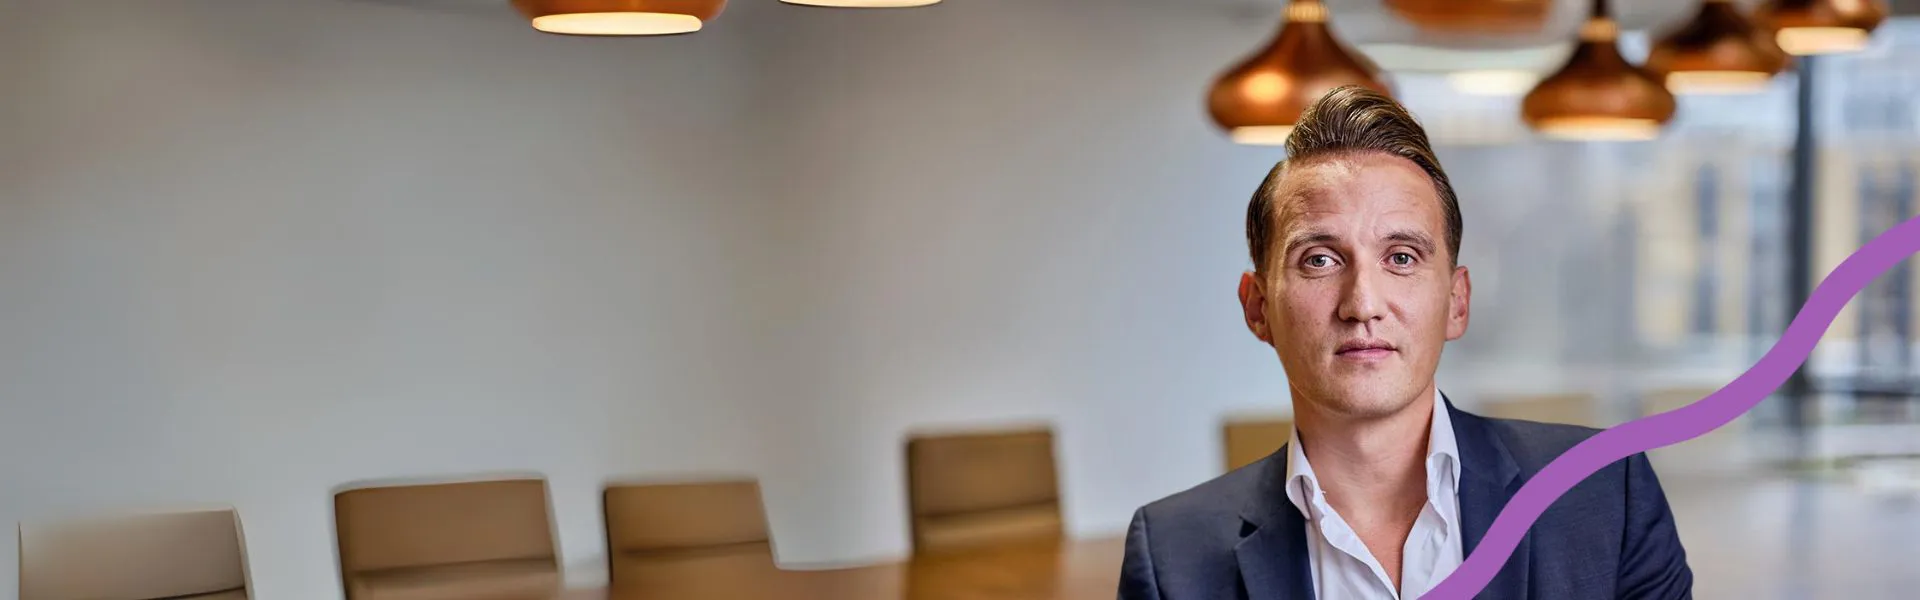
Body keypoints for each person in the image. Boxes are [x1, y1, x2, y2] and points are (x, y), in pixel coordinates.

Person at [1117, 86, 1692, 600]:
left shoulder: (1604, 494)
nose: (1363, 303)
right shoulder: (1173, 559)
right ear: (1258, 307)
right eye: (1319, 260)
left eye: (1401, 257)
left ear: (1456, 302)